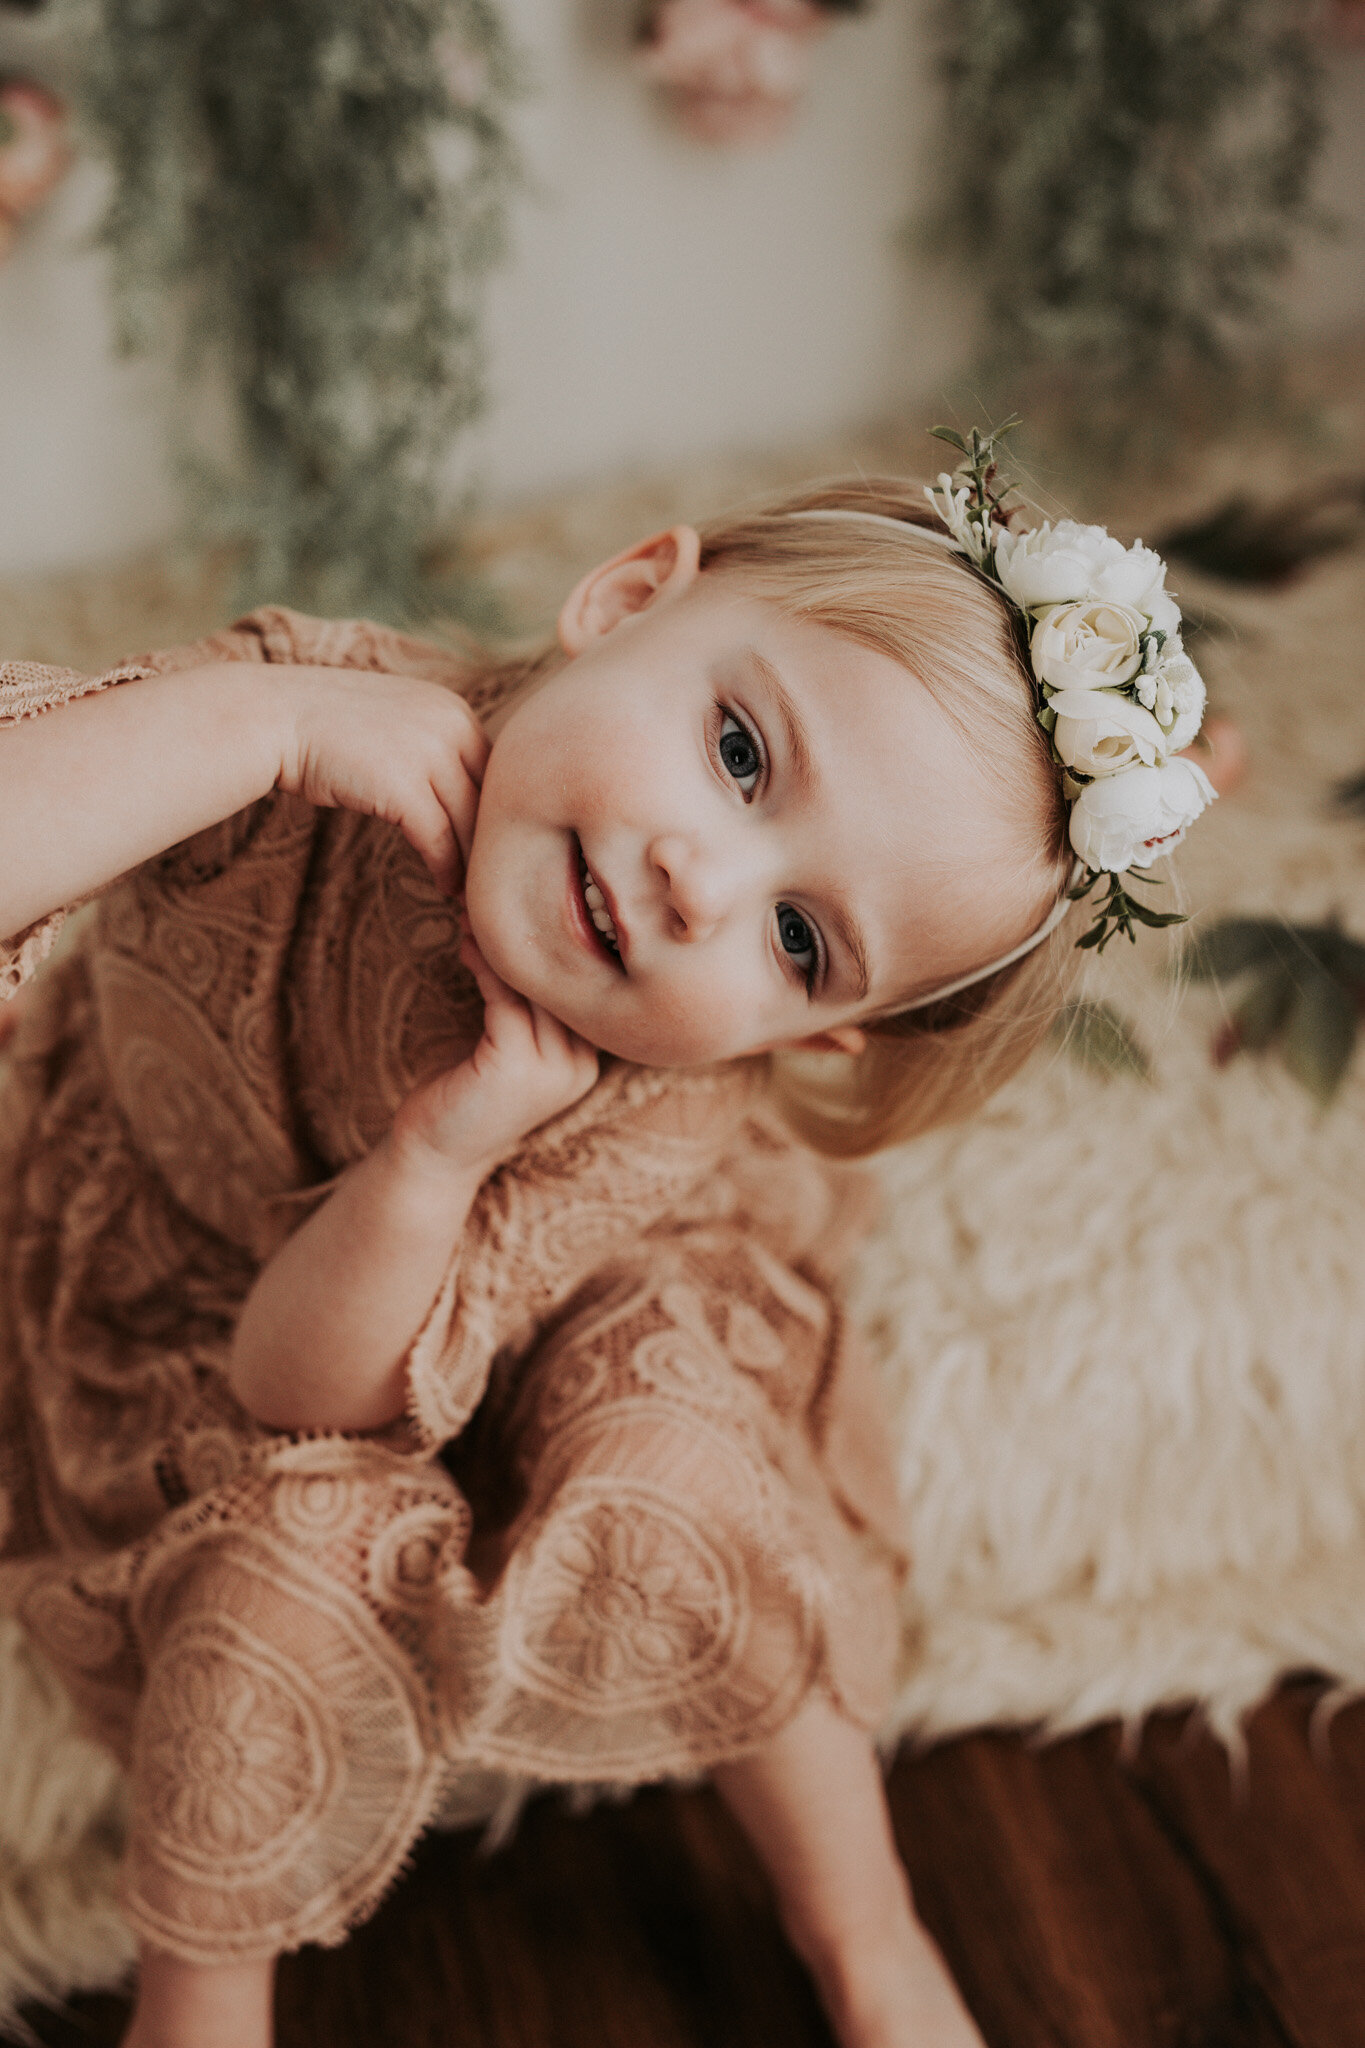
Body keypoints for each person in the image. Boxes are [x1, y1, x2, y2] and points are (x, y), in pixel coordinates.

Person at [0, 457, 1211, 2048]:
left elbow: (324, 1384)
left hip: (490, 1280)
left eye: (796, 939)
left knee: (693, 1466)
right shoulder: (323, 720)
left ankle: (862, 1924)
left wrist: (438, 1155)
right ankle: (200, 1995)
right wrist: (262, 723)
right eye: (734, 751)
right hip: (189, 1259)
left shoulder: (654, 1103)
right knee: (275, 1570)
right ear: (626, 600)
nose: (699, 879)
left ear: (820, 1032)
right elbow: (264, 1400)